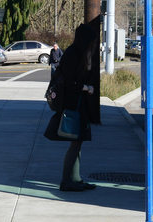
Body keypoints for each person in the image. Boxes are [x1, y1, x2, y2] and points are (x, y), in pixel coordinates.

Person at [58, 23, 97, 192]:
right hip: (73, 105)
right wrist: (87, 88)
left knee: (78, 143)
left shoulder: (78, 52)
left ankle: (76, 178)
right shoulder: (73, 54)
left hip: (78, 104)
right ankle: (67, 181)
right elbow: (69, 82)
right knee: (75, 143)